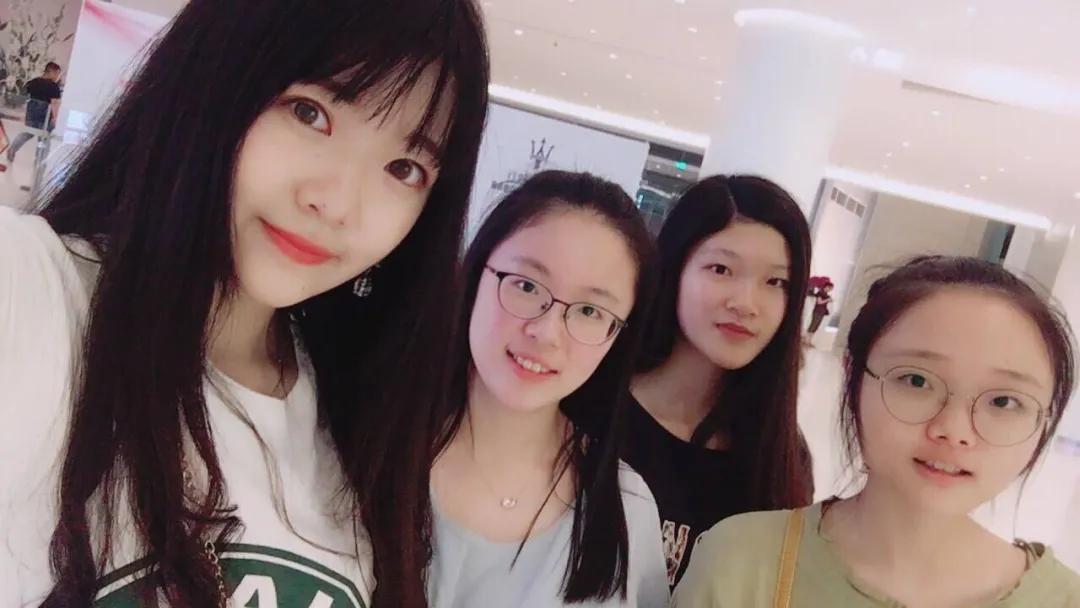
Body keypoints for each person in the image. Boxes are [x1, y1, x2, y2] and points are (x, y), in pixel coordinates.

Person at [0, 1, 489, 606]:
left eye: (403, 168)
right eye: (310, 113)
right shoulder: (40, 299)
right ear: (211, 76)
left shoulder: (354, 414)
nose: (338, 204)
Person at [673, 256, 1080, 607]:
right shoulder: (743, 562)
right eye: (916, 381)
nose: (954, 431)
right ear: (853, 377)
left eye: (1004, 401)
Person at [428, 171, 669, 607]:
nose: (546, 332)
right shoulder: (365, 442)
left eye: (590, 311)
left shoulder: (626, 509)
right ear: (476, 274)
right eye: (526, 286)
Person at [614, 175, 814, 587]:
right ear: (675, 269)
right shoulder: (592, 407)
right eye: (721, 269)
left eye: (776, 282)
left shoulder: (780, 456)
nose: (745, 303)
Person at [7, 61, 62, 163]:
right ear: (51, 72)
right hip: (45, 117)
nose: (57, 77)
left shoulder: (33, 82)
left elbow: (23, 98)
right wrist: (55, 118)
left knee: (27, 133)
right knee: (44, 138)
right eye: (57, 73)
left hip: (31, 115)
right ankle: (39, 161)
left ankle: (12, 149)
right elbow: (54, 103)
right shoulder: (53, 86)